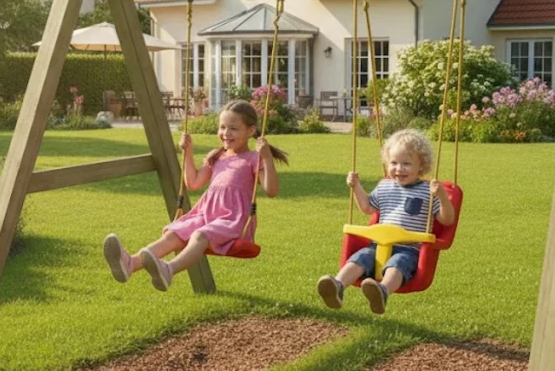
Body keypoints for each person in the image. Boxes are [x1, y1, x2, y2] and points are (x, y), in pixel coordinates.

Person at [103, 100, 287, 291]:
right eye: (222, 127)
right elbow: (193, 183)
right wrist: (188, 152)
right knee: (174, 234)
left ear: (250, 131)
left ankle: (168, 270)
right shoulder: (217, 156)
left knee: (200, 235)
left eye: (233, 128)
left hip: (232, 220)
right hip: (206, 214)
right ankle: (130, 264)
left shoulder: (253, 159)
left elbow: (271, 190)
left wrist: (266, 157)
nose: (226, 133)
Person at [317, 129, 455, 314]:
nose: (399, 168)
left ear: (421, 165)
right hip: (377, 246)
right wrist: (356, 186)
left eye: (406, 163)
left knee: (398, 263)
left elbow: (447, 220)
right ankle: (338, 286)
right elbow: (367, 207)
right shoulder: (385, 186)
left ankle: (382, 291)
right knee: (361, 257)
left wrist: (442, 197)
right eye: (394, 163)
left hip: (409, 249)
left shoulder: (427, 191)